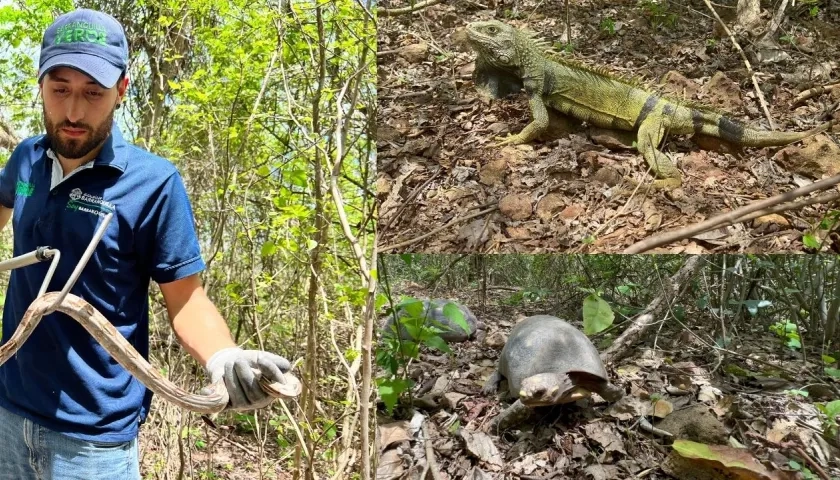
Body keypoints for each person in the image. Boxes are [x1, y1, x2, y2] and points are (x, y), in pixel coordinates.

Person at [0, 8, 291, 480]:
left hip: (93, 443)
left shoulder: (153, 183)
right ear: (40, 86)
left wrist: (223, 356)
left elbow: (187, 300)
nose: (73, 112)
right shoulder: (26, 159)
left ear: (121, 91)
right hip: (8, 412)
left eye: (93, 93)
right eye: (60, 90)